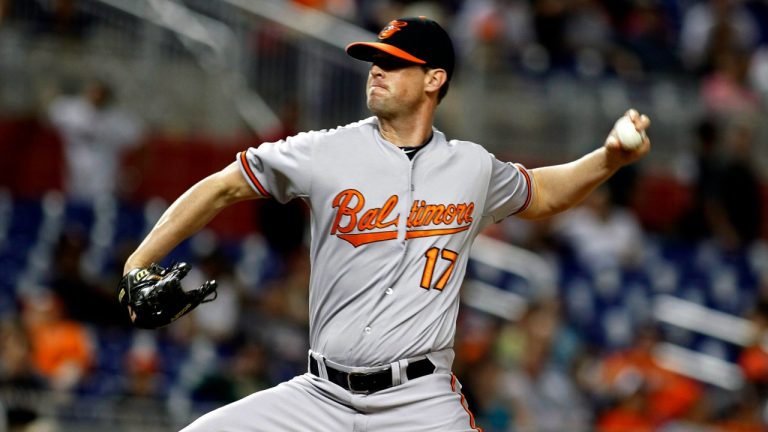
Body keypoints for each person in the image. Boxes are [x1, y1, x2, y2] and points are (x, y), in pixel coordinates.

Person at [121, 17, 651, 431]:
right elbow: (224, 184)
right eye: (375, 59)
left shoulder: (470, 167)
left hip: (419, 401)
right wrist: (139, 261)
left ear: (433, 79)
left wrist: (606, 159)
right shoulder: (325, 150)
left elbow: (542, 192)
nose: (376, 69)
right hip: (319, 396)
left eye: (394, 63)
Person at [47, 78, 143, 203]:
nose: (96, 96)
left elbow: (140, 142)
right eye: (93, 92)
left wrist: (134, 172)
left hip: (104, 184)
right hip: (74, 179)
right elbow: (48, 114)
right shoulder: (72, 111)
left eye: (100, 93)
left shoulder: (118, 120)